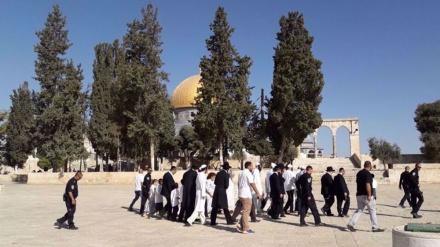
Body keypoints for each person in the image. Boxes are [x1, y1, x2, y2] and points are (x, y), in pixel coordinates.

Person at [347, 161, 384, 232]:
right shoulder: (368, 174)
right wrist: (369, 195)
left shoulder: (359, 173)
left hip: (359, 194)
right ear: (370, 166)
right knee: (372, 210)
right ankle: (375, 227)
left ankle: (351, 224)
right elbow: (368, 184)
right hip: (366, 195)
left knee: (359, 210)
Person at [236, 162, 262, 234]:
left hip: (241, 193)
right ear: (248, 166)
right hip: (246, 194)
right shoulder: (248, 173)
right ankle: (245, 228)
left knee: (246, 210)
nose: (252, 167)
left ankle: (240, 224)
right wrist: (258, 193)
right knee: (246, 212)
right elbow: (252, 183)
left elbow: (239, 184)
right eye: (251, 166)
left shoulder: (241, 173)